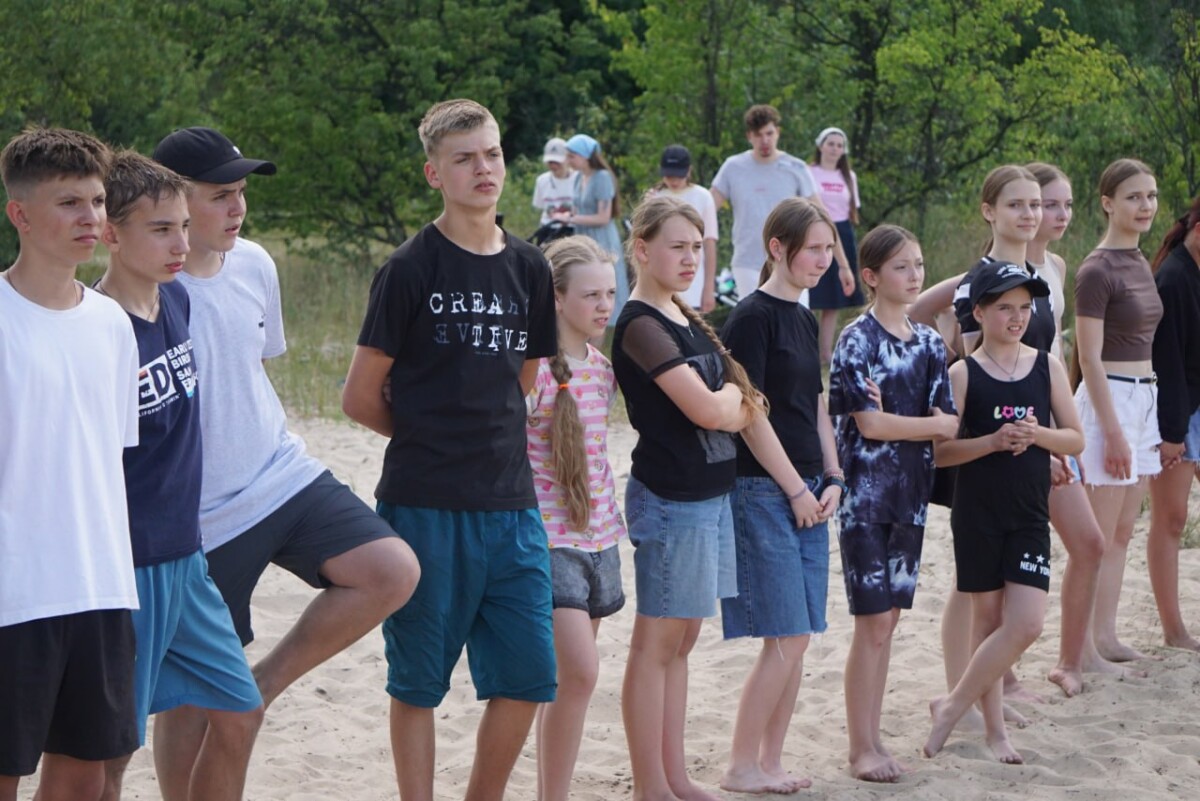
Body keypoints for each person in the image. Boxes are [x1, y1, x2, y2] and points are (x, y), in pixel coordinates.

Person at [151, 127, 420, 789]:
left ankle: (261, 686)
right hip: (203, 516)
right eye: (221, 194)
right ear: (173, 199)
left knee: (392, 570)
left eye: (242, 191)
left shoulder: (255, 264)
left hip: (282, 474)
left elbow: (255, 369)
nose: (238, 207)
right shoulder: (151, 289)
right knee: (189, 694)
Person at [341, 99, 558, 801]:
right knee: (418, 682)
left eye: (492, 154)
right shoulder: (409, 268)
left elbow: (524, 379)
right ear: (435, 173)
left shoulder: (530, 267)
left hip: (513, 508)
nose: (483, 168)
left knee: (529, 677)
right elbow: (358, 396)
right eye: (464, 158)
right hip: (424, 507)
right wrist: (433, 438)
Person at [94, 151, 264, 801]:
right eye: (161, 229)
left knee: (240, 709)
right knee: (110, 752)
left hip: (188, 558)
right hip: (129, 565)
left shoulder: (178, 301)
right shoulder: (98, 329)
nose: (180, 244)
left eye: (184, 227)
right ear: (111, 234)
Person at [0, 129, 140, 801]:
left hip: (99, 583)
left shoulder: (112, 323)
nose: (91, 218)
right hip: (15, 590)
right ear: (20, 215)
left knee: (86, 775)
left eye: (97, 201)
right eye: (69, 203)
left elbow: (107, 457)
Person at [614, 195, 767, 801]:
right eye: (676, 246)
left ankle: (673, 776)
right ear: (642, 249)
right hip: (670, 499)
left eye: (696, 248)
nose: (689, 258)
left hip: (710, 497)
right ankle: (649, 784)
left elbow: (744, 403)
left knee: (682, 643)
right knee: (654, 645)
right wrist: (731, 404)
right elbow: (712, 407)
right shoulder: (640, 324)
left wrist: (731, 405)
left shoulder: (680, 315)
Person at [924, 262, 1083, 764]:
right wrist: (991, 442)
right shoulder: (962, 373)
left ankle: (953, 704)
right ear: (979, 312)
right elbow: (940, 454)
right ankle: (996, 734)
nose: (1017, 318)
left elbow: (1075, 439)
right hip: (978, 512)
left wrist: (1037, 436)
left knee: (1028, 623)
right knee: (987, 622)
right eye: (1005, 308)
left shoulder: (1046, 366)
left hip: (1030, 511)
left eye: (1025, 308)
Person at [718, 198, 847, 794]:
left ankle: (770, 761)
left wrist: (833, 475)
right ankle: (741, 764)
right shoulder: (752, 317)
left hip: (811, 488)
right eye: (813, 249)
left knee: (799, 636)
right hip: (763, 490)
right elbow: (750, 414)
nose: (823, 260)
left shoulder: (802, 315)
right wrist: (794, 488)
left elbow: (814, 403)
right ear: (778, 248)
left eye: (828, 250)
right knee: (786, 634)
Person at [828, 224, 957, 782]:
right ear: (872, 276)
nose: (914, 275)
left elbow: (948, 423)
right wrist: (922, 425)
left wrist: (913, 424)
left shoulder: (928, 343)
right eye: (901, 266)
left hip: (911, 496)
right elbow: (871, 424)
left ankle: (874, 738)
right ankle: (861, 746)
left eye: (919, 265)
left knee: (890, 622)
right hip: (864, 497)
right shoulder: (856, 340)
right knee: (873, 622)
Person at [528, 236, 626, 801]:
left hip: (601, 535)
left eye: (610, 293)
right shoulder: (534, 371)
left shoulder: (604, 369)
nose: (604, 305)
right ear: (558, 298)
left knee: (570, 683)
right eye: (591, 295)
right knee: (581, 673)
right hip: (550, 538)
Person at [1024, 162, 1113, 696]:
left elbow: (1057, 352)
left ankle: (1071, 661)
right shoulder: (997, 269)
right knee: (998, 566)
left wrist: (1069, 424)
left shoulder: (1056, 265)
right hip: (1018, 429)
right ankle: (999, 678)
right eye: (1046, 204)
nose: (1058, 214)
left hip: (1056, 421)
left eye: (1065, 204)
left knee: (1090, 544)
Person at [1075, 159, 1163, 664]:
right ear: (1108, 203)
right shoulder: (1097, 269)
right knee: (1098, 536)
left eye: (1150, 196)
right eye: (1133, 197)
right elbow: (1088, 358)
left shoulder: (1139, 260)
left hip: (1145, 399)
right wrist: (1111, 431)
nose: (1145, 206)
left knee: (1123, 531)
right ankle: (1082, 648)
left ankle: (1105, 637)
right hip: (1110, 400)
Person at [710, 104, 851, 302]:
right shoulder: (733, 167)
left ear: (777, 132)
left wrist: (843, 266)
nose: (765, 140)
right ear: (749, 136)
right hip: (747, 263)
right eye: (758, 135)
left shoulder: (796, 168)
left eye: (769, 133)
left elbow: (823, 218)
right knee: (753, 318)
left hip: (791, 261)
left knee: (795, 318)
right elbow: (706, 208)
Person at [1148, 195, 1200, 653]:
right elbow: (1167, 364)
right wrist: (1173, 433)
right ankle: (1173, 629)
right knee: (1171, 518)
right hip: (1178, 408)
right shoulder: (1173, 279)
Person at [808, 126, 865, 363]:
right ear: (821, 146)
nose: (834, 149)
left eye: (839, 145)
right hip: (814, 230)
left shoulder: (849, 177)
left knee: (833, 300)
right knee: (810, 295)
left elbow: (851, 210)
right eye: (830, 144)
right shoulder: (809, 172)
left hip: (842, 233)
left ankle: (825, 353)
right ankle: (806, 348)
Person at [562, 133, 628, 325]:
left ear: (584, 156)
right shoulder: (578, 178)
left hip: (602, 239)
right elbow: (577, 208)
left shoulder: (602, 178)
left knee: (602, 283)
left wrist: (571, 219)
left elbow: (603, 217)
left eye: (572, 156)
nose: (568, 160)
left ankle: (606, 326)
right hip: (582, 237)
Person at [645, 144, 718, 311]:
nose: (674, 181)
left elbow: (709, 244)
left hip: (694, 286)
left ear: (688, 171)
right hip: (661, 285)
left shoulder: (703, 197)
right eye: (669, 175)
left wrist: (709, 288)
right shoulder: (655, 197)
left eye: (679, 175)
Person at [532, 137, 574, 227]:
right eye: (550, 162)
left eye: (557, 162)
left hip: (572, 227)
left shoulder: (578, 179)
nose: (554, 166)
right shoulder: (542, 180)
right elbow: (540, 206)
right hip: (548, 227)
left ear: (567, 159)